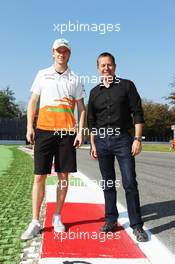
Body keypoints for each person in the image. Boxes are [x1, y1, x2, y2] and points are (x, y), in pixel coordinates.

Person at [21, 38, 85, 240]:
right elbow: (32, 101)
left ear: (69, 54)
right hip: (44, 131)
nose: (61, 54)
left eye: (65, 51)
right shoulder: (42, 74)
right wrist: (30, 126)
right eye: (58, 50)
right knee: (39, 176)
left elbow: (82, 108)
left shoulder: (75, 78)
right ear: (52, 52)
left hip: (66, 133)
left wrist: (81, 131)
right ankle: (34, 221)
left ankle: (57, 216)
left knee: (63, 177)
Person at [87, 52, 148, 242]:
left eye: (109, 65)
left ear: (115, 66)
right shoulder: (94, 92)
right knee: (108, 183)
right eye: (102, 65)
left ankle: (137, 225)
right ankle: (111, 220)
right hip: (102, 142)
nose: (106, 68)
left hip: (123, 140)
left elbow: (138, 113)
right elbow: (91, 122)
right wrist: (93, 144)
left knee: (130, 183)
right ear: (98, 68)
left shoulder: (127, 86)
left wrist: (137, 139)